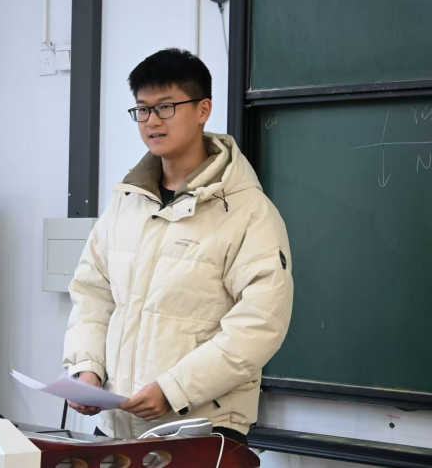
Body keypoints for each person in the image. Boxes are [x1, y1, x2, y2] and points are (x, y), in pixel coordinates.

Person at [62, 48, 293, 446]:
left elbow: (259, 323)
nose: (152, 121)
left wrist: (174, 389)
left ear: (203, 109)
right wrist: (87, 369)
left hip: (201, 430)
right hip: (116, 428)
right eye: (142, 109)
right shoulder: (126, 203)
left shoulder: (247, 212)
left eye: (166, 107)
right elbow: (92, 294)